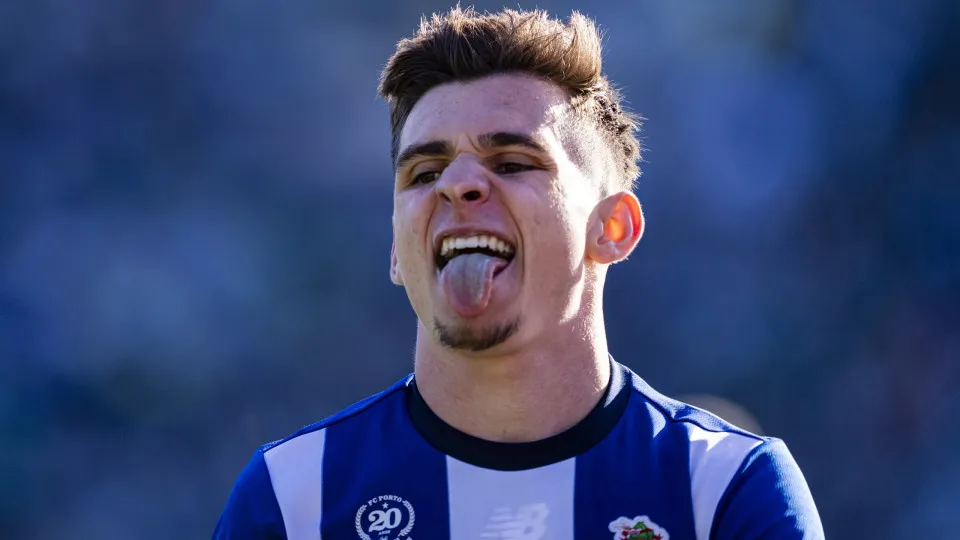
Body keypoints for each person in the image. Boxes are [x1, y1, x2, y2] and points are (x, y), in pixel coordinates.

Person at [213, 7, 824, 540]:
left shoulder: (724, 489)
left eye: (511, 161)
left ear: (612, 228)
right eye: (424, 173)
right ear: (397, 250)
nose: (457, 184)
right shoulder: (292, 498)